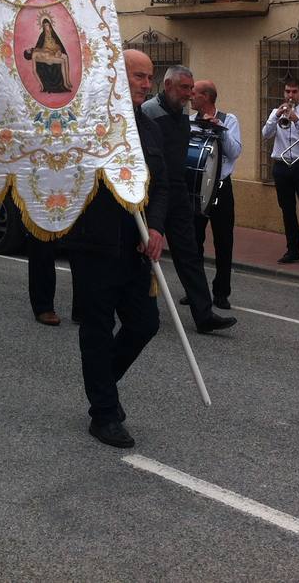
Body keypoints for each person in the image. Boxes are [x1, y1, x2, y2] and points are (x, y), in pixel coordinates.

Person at [66, 48, 166, 448]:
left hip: (137, 245)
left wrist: (156, 227)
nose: (146, 84)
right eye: (139, 76)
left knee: (145, 323)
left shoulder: (151, 127)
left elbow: (165, 184)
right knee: (97, 327)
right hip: (94, 242)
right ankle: (104, 413)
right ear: (115, 76)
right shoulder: (88, 124)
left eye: (149, 77)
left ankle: (101, 384)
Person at [140, 65, 236, 333]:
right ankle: (133, 308)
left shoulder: (182, 112)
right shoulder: (148, 112)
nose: (189, 94)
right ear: (168, 85)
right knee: (143, 255)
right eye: (185, 88)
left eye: (191, 89)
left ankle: (203, 315)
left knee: (190, 254)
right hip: (153, 194)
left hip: (178, 192)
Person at [189, 79, 242, 310]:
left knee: (223, 241)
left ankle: (221, 293)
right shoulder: (190, 121)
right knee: (194, 241)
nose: (191, 96)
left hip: (220, 186)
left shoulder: (229, 120)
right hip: (196, 187)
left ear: (207, 97)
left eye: (195, 93)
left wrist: (219, 129)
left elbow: (235, 152)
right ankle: (196, 290)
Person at [262, 75, 299, 268]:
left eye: (294, 92)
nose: (291, 95)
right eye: (288, 91)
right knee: (287, 210)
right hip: (281, 165)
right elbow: (265, 134)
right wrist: (276, 116)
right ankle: (292, 250)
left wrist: (296, 120)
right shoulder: (275, 113)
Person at [23, 16, 73, 93]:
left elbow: (56, 46)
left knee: (65, 57)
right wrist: (41, 84)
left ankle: (68, 80)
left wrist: (58, 50)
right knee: (63, 60)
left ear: (50, 25)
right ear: (43, 27)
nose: (47, 27)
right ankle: (65, 83)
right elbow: (34, 70)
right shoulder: (36, 50)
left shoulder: (52, 36)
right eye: (45, 25)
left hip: (53, 53)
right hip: (50, 57)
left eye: (48, 25)